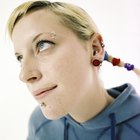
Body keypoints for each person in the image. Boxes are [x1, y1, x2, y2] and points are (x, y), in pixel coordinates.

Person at [7, 0, 140, 140]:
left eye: (43, 45)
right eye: (20, 58)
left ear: (95, 49)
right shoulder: (39, 123)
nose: (24, 75)